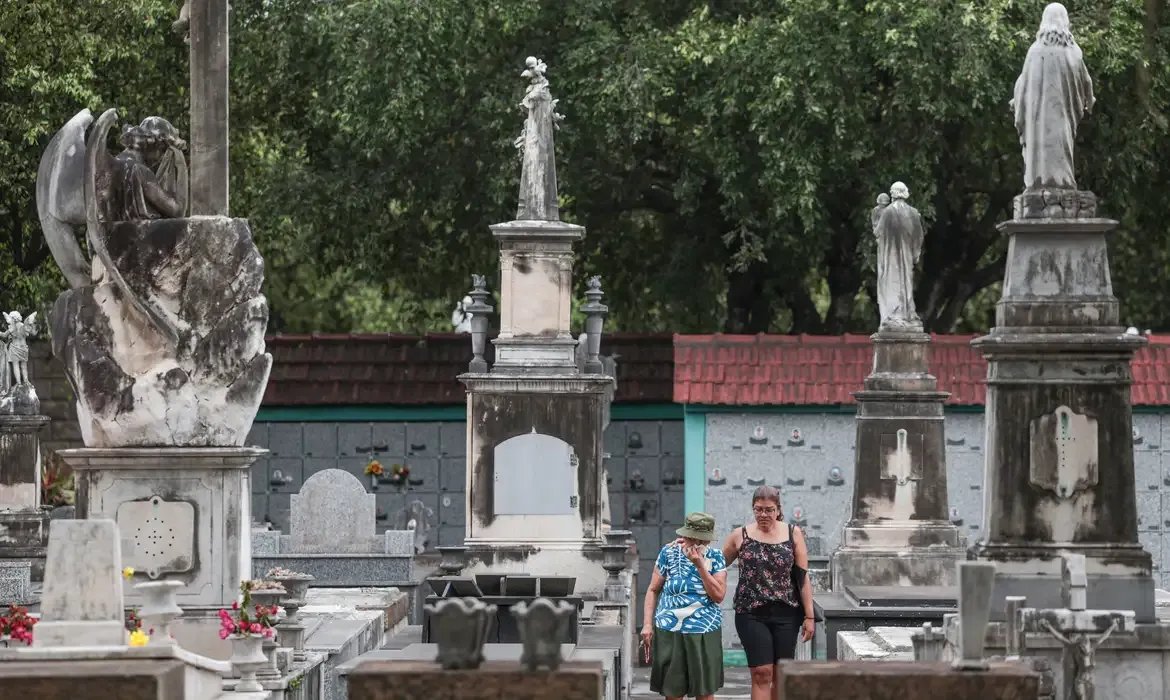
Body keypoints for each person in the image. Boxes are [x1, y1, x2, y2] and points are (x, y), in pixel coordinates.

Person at [722, 486, 815, 700]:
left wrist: (809, 616)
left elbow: (802, 576)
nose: (763, 515)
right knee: (762, 672)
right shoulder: (740, 535)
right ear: (753, 509)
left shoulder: (793, 533)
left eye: (769, 510)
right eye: (758, 509)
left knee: (781, 674)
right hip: (751, 613)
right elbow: (717, 566)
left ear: (778, 510)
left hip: (787, 613)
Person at [641, 512, 727, 700]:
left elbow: (719, 595)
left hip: (704, 628)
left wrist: (700, 566)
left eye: (701, 540)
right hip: (670, 628)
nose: (695, 543)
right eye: (691, 537)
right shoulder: (668, 553)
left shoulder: (716, 556)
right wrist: (647, 624)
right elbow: (653, 589)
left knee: (704, 692)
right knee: (673, 691)